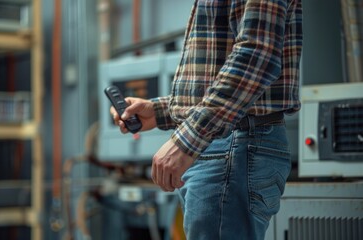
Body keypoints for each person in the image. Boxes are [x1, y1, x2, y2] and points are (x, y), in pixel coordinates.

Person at [110, 0, 302, 239]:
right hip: (226, 147)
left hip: (232, 147)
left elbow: (256, 56)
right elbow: (217, 72)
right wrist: (159, 110)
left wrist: (187, 140)